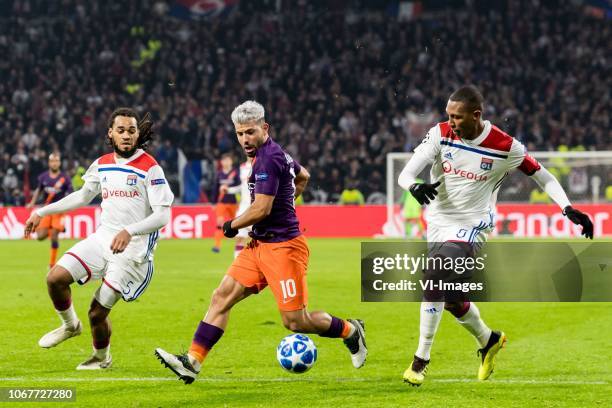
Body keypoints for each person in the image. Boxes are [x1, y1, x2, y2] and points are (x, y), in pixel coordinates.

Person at [154, 100, 367, 384]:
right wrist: (288, 201)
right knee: (221, 297)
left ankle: (351, 331)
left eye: (250, 132)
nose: (245, 139)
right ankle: (192, 361)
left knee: (295, 322)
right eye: (240, 133)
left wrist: (231, 225)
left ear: (264, 128)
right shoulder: (273, 154)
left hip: (284, 249)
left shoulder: (268, 158)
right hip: (259, 246)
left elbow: (262, 209)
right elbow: (303, 175)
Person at [398, 85, 593, 386]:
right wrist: (414, 186)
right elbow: (406, 174)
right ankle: (489, 340)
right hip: (437, 222)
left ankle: (420, 361)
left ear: (476, 115)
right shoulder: (440, 133)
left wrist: (567, 207)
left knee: (434, 274)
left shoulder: (505, 145)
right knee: (450, 300)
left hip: (474, 224)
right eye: (448, 115)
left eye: (457, 117)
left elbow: (543, 175)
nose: (451, 122)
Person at [24, 107, 174, 370]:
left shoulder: (151, 168)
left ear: (138, 134)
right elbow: (82, 196)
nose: (126, 135)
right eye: (121, 130)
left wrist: (130, 231)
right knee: (55, 279)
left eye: (131, 130)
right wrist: (41, 211)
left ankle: (101, 358)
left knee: (97, 312)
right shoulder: (102, 163)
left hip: (133, 253)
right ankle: (70, 326)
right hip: (103, 239)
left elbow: (163, 216)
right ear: (111, 133)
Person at [26, 153, 73, 268]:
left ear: (59, 163)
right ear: (49, 163)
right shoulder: (43, 177)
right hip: (47, 210)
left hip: (59, 210)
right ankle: (57, 228)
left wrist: (69, 204)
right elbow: (38, 190)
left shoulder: (64, 178)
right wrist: (32, 202)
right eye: (52, 161)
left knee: (54, 236)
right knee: (40, 236)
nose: (54, 163)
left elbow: (71, 192)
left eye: (56, 161)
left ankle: (52, 264)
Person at [223, 156, 253, 258]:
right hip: (243, 207)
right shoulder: (242, 167)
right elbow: (242, 186)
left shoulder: (262, 165)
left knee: (258, 238)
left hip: (255, 207)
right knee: (239, 237)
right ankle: (237, 266)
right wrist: (229, 190)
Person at [211, 153, 241, 253]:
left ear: (231, 161)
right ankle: (217, 246)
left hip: (233, 202)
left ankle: (238, 245)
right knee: (219, 223)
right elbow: (215, 189)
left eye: (227, 160)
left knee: (237, 224)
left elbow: (240, 188)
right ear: (221, 162)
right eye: (224, 160)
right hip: (222, 202)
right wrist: (214, 202)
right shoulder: (219, 174)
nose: (226, 162)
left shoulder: (236, 173)